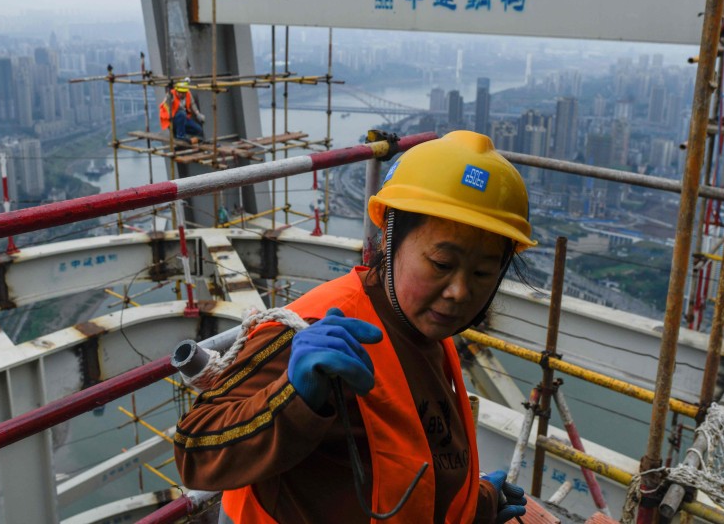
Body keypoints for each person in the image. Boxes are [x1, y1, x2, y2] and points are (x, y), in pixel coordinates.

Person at [174, 130, 535, 523]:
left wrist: (475, 504)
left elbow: (407, 463)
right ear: (390, 237)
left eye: (483, 273)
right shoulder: (318, 332)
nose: (459, 292)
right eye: (441, 265)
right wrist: (294, 399)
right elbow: (196, 451)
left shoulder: (423, 330)